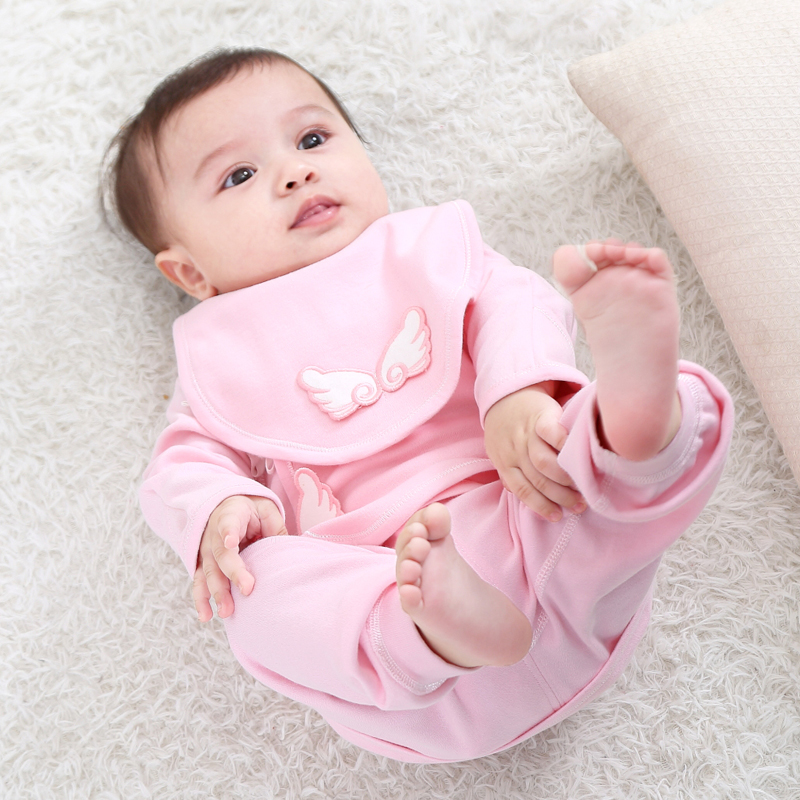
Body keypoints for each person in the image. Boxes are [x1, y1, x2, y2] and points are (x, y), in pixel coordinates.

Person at [107, 47, 732, 762]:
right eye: (239, 175)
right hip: (400, 640)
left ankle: (641, 430)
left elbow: (513, 303)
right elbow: (178, 464)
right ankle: (429, 629)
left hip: (528, 515)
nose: (294, 172)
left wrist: (518, 391)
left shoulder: (424, 253)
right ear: (189, 271)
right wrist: (221, 506)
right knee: (249, 591)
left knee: (568, 447)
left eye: (312, 138)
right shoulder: (222, 357)